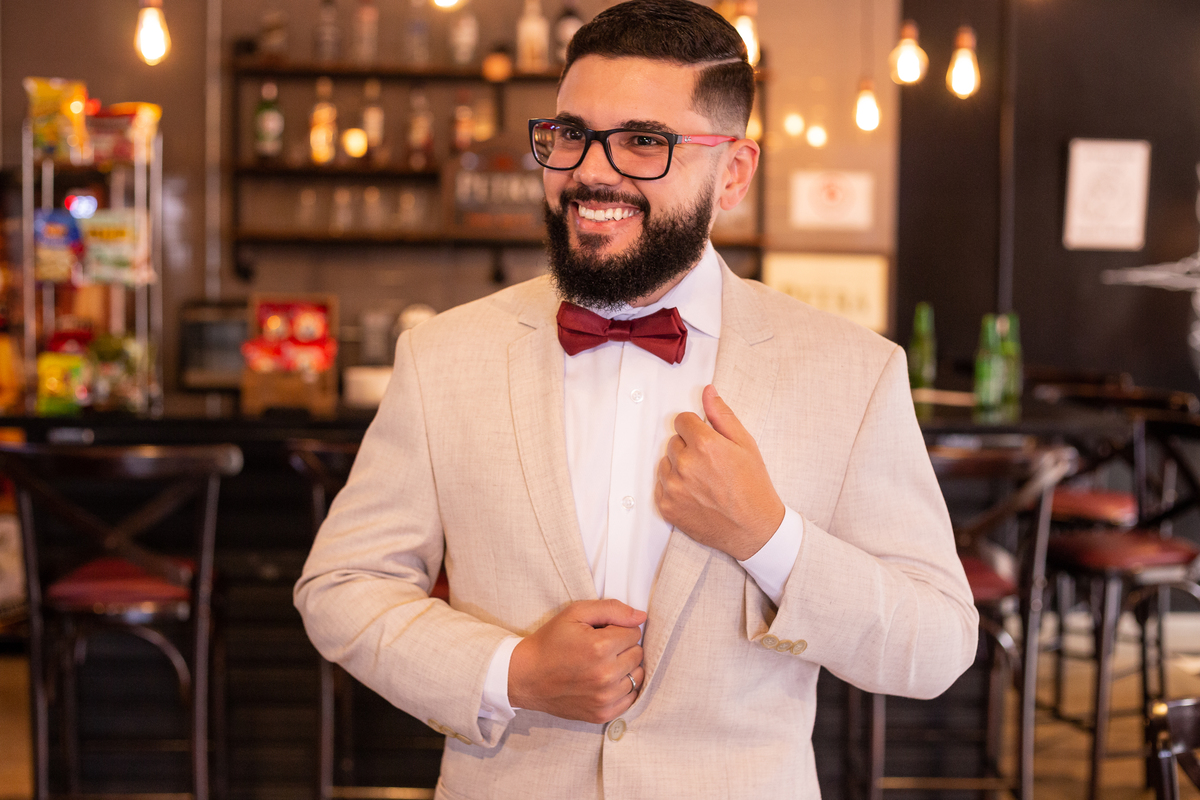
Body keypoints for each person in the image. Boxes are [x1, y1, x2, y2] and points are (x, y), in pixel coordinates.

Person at [295, 1, 978, 797]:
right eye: (571, 134)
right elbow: (341, 587)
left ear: (733, 173)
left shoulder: (853, 373)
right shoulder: (443, 355)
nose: (591, 171)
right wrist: (511, 671)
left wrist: (768, 536)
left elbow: (936, 645)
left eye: (644, 142)